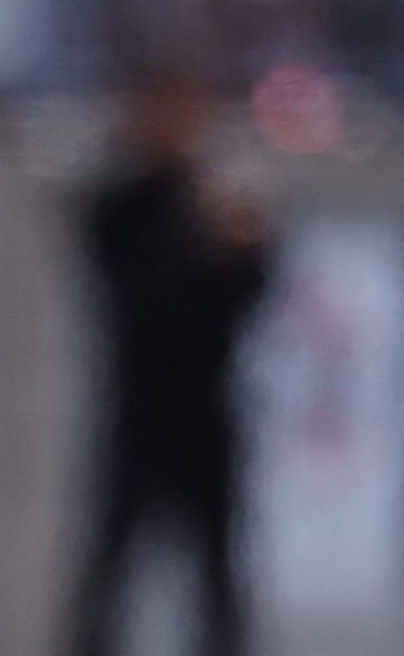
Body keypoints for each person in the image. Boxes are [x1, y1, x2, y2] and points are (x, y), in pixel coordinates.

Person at [67, 74, 273, 656]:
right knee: (110, 568)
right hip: (140, 412)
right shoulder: (122, 205)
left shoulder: (219, 203)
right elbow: (140, 296)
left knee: (218, 574)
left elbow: (249, 298)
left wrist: (242, 245)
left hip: (209, 412)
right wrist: (210, 247)